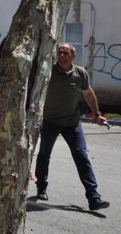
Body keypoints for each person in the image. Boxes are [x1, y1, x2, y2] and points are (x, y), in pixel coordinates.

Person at [35, 43, 110, 211]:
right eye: (60, 53)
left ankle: (93, 197)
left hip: (72, 123)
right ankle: (41, 186)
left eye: (66, 53)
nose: (62, 56)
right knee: (44, 155)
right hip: (50, 121)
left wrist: (97, 114)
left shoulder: (80, 73)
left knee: (82, 157)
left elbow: (89, 93)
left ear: (72, 56)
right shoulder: (48, 71)